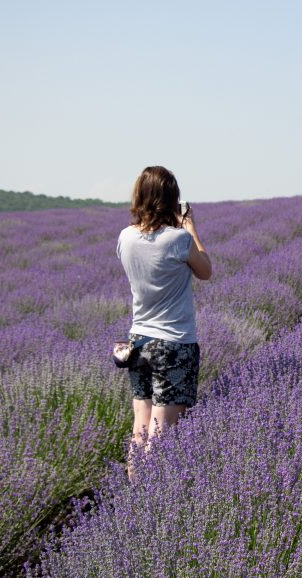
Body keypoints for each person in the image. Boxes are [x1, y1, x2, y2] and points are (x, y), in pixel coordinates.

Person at [117, 166, 212, 479]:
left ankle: (133, 496)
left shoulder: (126, 237)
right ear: (172, 199)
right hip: (173, 345)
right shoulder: (179, 239)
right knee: (162, 432)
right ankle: (150, 504)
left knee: (140, 426)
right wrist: (190, 227)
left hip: (138, 343)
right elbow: (206, 270)